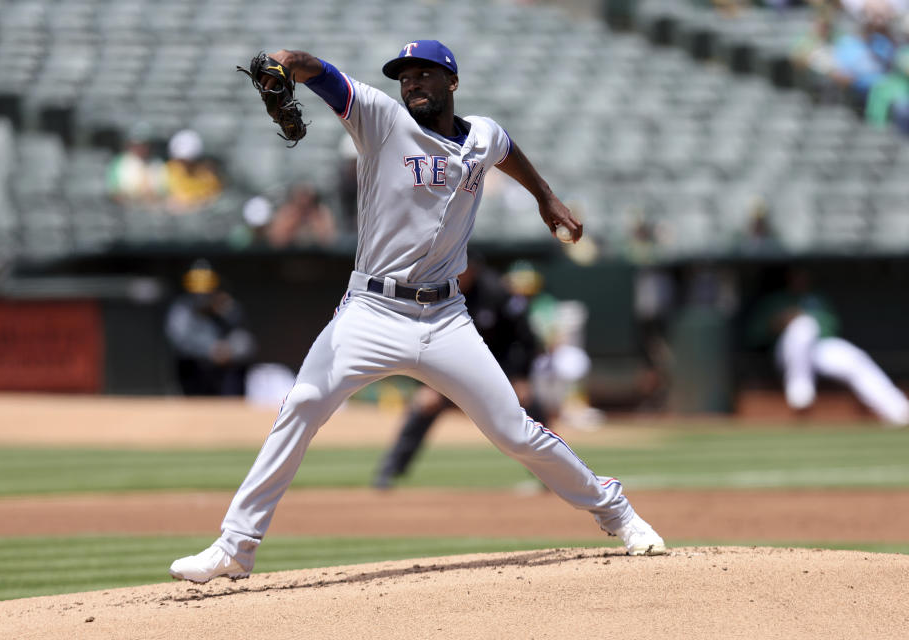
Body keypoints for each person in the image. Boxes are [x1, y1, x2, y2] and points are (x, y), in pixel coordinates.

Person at [169, 40, 666, 584]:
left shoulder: (482, 135)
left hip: (446, 317)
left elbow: (506, 149)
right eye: (405, 77)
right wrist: (286, 63)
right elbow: (321, 73)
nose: (412, 84)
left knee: (516, 432)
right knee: (302, 405)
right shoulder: (381, 121)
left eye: (424, 74)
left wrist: (545, 197)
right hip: (372, 309)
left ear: (451, 82)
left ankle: (618, 512)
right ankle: (236, 546)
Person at [371, 253, 550, 489]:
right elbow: (422, 342)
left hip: (497, 373)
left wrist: (521, 378)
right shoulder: (437, 292)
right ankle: (390, 471)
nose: (454, 274)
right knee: (424, 406)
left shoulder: (496, 292)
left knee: (532, 409)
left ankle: (550, 474)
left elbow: (525, 339)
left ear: (472, 268)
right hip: (452, 372)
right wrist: (424, 386)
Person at [747, 267, 909, 427]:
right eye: (795, 275)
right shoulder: (775, 301)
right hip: (786, 352)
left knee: (854, 358)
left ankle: (899, 411)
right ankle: (800, 396)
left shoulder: (818, 298)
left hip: (819, 348)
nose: (800, 279)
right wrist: (781, 321)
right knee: (802, 327)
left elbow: (832, 326)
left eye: (803, 275)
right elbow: (757, 334)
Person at [165, 259, 257, 396]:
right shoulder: (183, 309)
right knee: (185, 363)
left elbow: (246, 342)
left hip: (223, 373)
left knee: (238, 368)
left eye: (206, 287)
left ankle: (232, 408)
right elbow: (179, 340)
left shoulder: (227, 309)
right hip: (195, 374)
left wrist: (228, 351)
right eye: (197, 287)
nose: (202, 294)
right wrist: (210, 350)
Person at [164, 129, 224, 214]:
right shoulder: (167, 171)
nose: (184, 164)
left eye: (188, 161)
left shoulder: (208, 175)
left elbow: (214, 197)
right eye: (181, 160)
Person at [263, 182, 338, 248]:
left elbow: (330, 240)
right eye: (300, 203)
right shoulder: (287, 212)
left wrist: (313, 222)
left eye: (308, 202)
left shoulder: (321, 212)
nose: (304, 203)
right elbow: (276, 240)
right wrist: (294, 221)